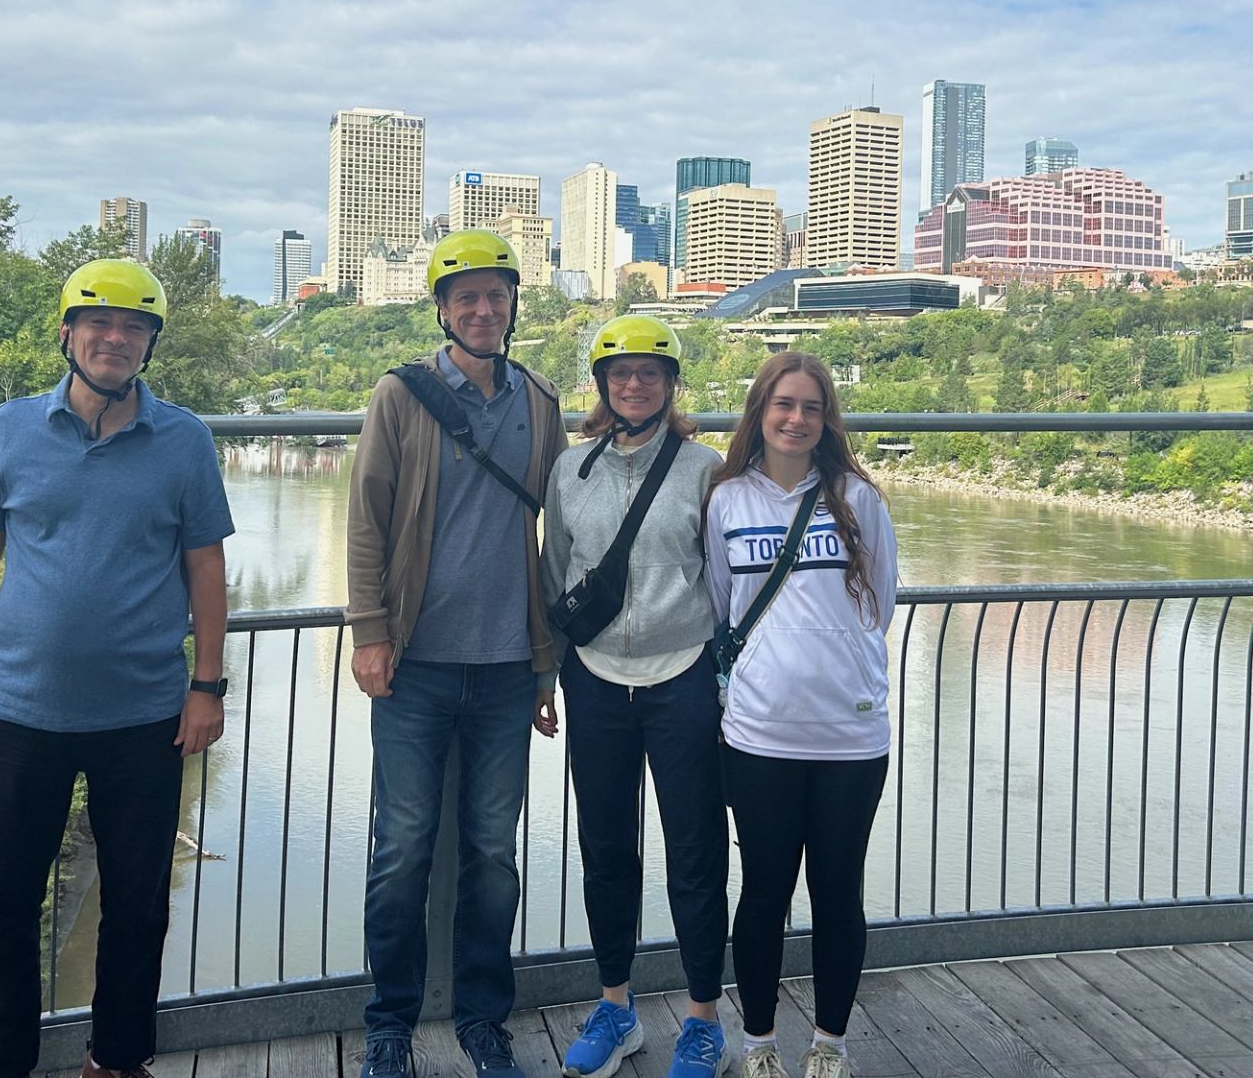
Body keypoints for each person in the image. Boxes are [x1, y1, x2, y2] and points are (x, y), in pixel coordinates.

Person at [0, 259, 235, 1078]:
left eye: (134, 327)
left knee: (135, 906)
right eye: (98, 322)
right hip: (24, 709)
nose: (115, 338)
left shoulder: (185, 440)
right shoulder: (11, 428)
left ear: (149, 345)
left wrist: (208, 684)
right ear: (66, 333)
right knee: (5, 912)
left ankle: (118, 1060)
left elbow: (206, 566)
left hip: (145, 714)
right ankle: (4, 1066)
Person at [346, 229, 569, 1078]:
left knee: (491, 853)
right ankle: (389, 1022)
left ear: (514, 306)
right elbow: (367, 515)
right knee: (402, 849)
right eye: (466, 296)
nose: (483, 309)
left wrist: (548, 666)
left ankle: (484, 1020)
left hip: (510, 666)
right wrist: (369, 630)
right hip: (416, 664)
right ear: (441, 309)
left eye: (497, 295)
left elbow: (565, 521)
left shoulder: (540, 401)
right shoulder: (400, 396)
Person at [540, 316, 731, 1078]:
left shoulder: (705, 469)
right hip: (593, 680)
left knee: (695, 851)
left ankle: (702, 1018)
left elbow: (724, 585)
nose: (634, 383)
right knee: (606, 848)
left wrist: (723, 682)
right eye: (620, 373)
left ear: (671, 383)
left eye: (650, 372)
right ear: (601, 386)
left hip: (680, 675)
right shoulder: (569, 469)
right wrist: (547, 676)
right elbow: (555, 576)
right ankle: (615, 1005)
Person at [703, 352, 899, 1078]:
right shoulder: (727, 501)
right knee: (762, 891)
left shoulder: (857, 498)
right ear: (759, 412)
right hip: (758, 732)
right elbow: (724, 605)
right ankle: (758, 1045)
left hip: (851, 732)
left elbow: (880, 601)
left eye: (811, 408)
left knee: (839, 890)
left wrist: (835, 662)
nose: (796, 419)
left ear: (827, 420)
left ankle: (829, 1044)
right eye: (782, 404)